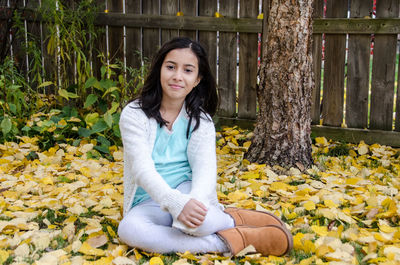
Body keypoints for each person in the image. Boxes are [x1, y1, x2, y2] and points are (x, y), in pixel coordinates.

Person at [117, 37, 293, 256]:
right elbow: (142, 170)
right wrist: (175, 204)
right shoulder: (135, 114)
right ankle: (230, 239)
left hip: (188, 191)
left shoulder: (201, 121)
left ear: (198, 79)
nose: (177, 76)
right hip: (149, 201)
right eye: (170, 67)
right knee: (129, 229)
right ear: (159, 69)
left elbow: (205, 172)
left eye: (188, 70)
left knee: (195, 225)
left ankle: (229, 218)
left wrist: (194, 204)